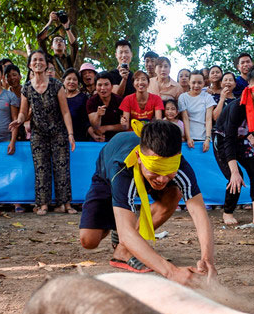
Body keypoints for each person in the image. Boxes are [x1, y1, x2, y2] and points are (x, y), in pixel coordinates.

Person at [78, 119, 215, 282]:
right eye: (156, 171)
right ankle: (118, 224)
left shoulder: (179, 165)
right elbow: (126, 235)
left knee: (174, 193)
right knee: (89, 241)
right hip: (107, 176)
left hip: (141, 174)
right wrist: (172, 272)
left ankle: (123, 251)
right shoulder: (122, 168)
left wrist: (208, 259)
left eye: (169, 171)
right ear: (139, 157)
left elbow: (198, 211)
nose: (162, 179)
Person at [213, 67, 254, 226]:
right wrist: (234, 172)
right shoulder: (237, 107)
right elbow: (228, 138)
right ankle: (228, 212)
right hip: (223, 141)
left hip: (242, 140)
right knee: (235, 178)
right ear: (250, 87)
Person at [18, 50, 76, 215]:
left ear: (46, 64)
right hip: (38, 134)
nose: (38, 62)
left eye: (41, 60)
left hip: (58, 132)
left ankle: (65, 203)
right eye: (34, 60)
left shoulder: (57, 85)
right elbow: (23, 112)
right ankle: (43, 204)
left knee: (62, 167)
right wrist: (19, 120)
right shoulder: (27, 88)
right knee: (41, 168)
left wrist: (70, 134)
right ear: (30, 65)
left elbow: (65, 112)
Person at [178, 71, 215, 152]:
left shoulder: (208, 97)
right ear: (189, 82)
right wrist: (188, 138)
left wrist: (208, 139)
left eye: (199, 82)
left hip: (204, 138)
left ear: (203, 83)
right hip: (188, 138)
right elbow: (185, 118)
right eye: (193, 82)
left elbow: (208, 119)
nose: (196, 85)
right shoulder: (183, 97)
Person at [38, 11, 78, 76]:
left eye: (61, 41)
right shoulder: (48, 58)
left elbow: (74, 45)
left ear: (65, 47)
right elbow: (40, 39)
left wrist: (67, 27)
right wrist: (50, 21)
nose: (59, 42)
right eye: (56, 40)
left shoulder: (69, 60)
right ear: (52, 46)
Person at [87, 72, 124, 142]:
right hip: (97, 137)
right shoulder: (91, 101)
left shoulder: (119, 100)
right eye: (99, 85)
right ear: (95, 87)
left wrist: (107, 128)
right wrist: (98, 115)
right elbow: (94, 126)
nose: (103, 88)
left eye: (106, 84)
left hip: (117, 138)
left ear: (112, 86)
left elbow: (124, 126)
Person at [62, 68, 90, 142]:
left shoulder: (83, 98)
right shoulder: (58, 97)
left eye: (75, 79)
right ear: (63, 81)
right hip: (59, 137)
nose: (72, 82)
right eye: (69, 79)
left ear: (78, 82)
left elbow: (86, 121)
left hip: (78, 139)